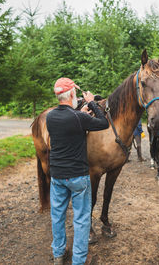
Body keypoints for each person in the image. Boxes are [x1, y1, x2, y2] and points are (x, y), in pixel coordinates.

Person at [46, 77, 109, 265]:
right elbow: (103, 123)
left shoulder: (51, 116)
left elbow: (70, 122)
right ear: (72, 94)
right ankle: (79, 260)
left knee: (57, 215)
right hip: (78, 177)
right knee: (81, 219)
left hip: (57, 175)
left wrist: (81, 113)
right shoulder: (79, 118)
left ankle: (58, 254)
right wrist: (91, 102)